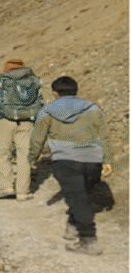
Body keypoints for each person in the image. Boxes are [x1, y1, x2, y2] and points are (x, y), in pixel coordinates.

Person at [28, 76, 114, 255]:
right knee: (82, 196)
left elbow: (38, 138)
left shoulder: (47, 111)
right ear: (77, 90)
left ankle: (88, 241)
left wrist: (32, 157)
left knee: (78, 198)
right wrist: (107, 160)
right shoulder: (93, 108)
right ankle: (72, 226)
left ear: (55, 93)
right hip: (92, 159)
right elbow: (104, 135)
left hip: (65, 160)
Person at [0, 58, 44, 201]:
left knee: (3, 153)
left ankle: (7, 187)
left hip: (5, 121)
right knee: (24, 156)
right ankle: (23, 192)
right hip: (28, 122)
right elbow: (40, 102)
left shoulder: (0, 82)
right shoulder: (33, 80)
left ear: (6, 68)